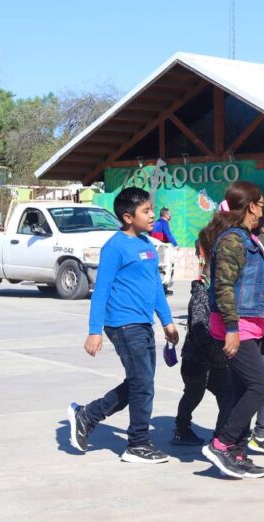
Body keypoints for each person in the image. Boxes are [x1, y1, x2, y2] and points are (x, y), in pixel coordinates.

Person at [67, 187, 179, 464]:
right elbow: (101, 289)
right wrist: (94, 331)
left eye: (152, 209)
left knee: (141, 382)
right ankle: (137, 444)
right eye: (146, 211)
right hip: (122, 323)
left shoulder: (147, 246)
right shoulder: (115, 247)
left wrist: (167, 322)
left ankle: (87, 415)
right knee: (143, 383)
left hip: (143, 323)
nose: (153, 215)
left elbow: (155, 287)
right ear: (128, 217)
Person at [199, 180, 264, 480]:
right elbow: (223, 286)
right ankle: (222, 443)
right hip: (235, 327)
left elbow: (253, 283)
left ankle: (238, 452)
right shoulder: (232, 240)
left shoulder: (250, 238)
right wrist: (231, 329)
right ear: (251, 205)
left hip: (252, 324)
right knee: (262, 387)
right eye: (262, 203)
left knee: (242, 390)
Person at [172, 243, 236, 447]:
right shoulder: (201, 296)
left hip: (217, 360)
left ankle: (223, 433)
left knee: (227, 395)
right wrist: (217, 348)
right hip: (196, 359)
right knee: (193, 394)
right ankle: (182, 429)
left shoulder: (220, 296)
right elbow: (199, 330)